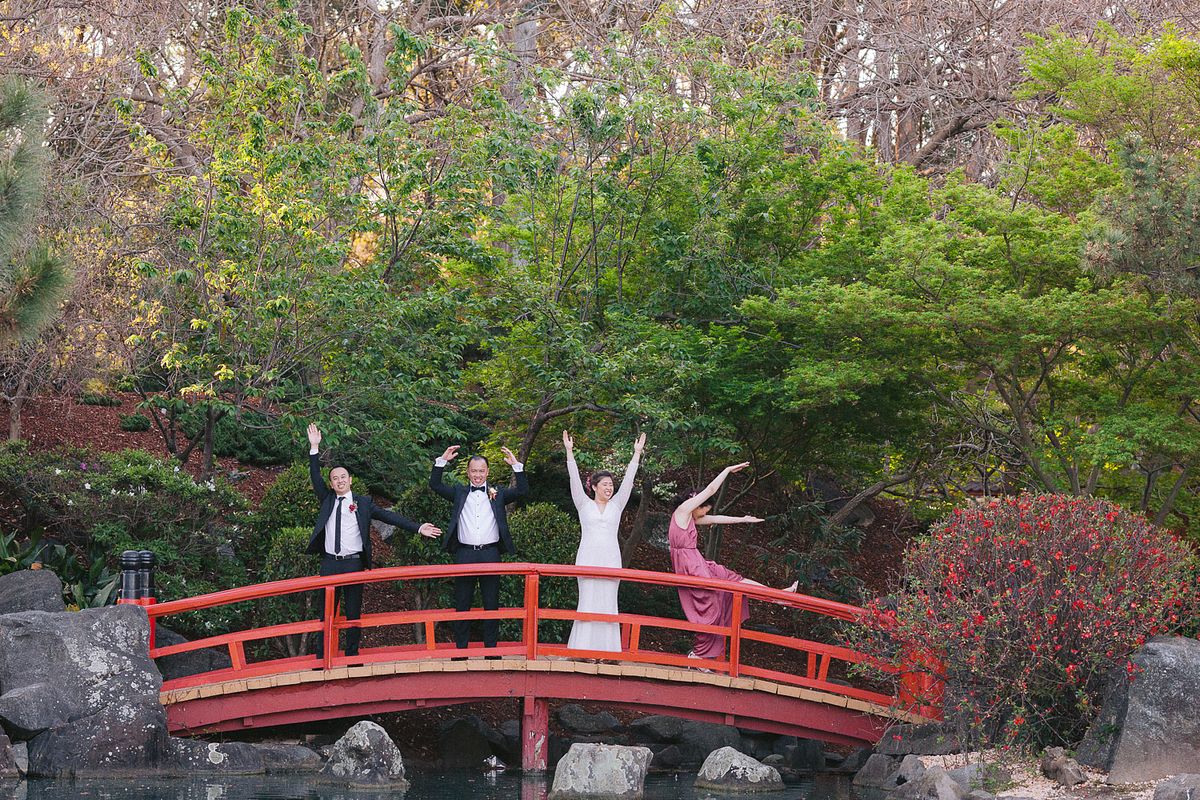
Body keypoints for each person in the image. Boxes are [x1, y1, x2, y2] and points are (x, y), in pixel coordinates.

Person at [305, 423, 442, 658]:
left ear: (351, 480)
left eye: (343, 477)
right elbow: (315, 476)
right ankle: (323, 656)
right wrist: (314, 448)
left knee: (353, 612)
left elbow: (389, 516)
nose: (339, 481)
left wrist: (418, 527)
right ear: (331, 484)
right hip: (329, 563)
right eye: (335, 478)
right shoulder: (327, 499)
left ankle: (351, 656)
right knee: (325, 612)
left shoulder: (364, 503)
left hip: (353, 563)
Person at [669, 462, 797, 663]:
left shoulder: (690, 518)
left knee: (733, 579)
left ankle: (778, 595)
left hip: (698, 563)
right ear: (695, 503)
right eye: (703, 510)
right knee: (710, 607)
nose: (703, 515)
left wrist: (743, 519)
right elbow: (711, 489)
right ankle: (698, 655)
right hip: (690, 567)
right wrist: (727, 471)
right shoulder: (684, 511)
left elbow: (715, 519)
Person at [430, 444, 528, 656]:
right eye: (473, 471)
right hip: (464, 553)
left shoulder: (497, 493)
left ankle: (491, 650)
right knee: (462, 603)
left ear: (487, 472)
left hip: (490, 553)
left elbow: (522, 491)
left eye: (481, 471)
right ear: (468, 472)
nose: (477, 475)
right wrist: (442, 461)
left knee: (491, 603)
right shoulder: (459, 492)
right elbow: (435, 485)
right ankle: (460, 651)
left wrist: (516, 467)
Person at [562, 430, 645, 653]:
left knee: (608, 604)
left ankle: (607, 652)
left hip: (610, 559)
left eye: (611, 484)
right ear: (595, 487)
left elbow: (628, 482)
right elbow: (574, 480)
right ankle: (582, 650)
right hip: (587, 558)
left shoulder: (617, 505)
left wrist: (636, 454)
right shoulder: (583, 504)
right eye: (605, 484)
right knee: (587, 602)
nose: (609, 488)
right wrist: (569, 452)